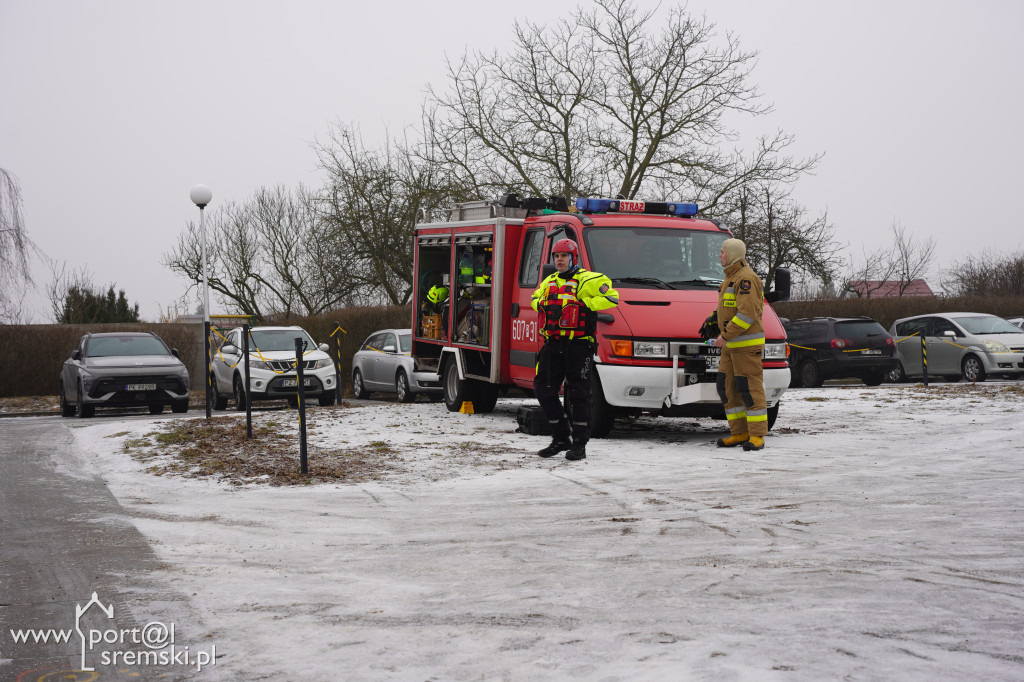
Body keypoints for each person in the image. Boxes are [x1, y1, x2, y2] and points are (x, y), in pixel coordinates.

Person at [531, 238, 619, 461]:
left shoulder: (589, 280)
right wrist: (540, 304)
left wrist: (586, 304)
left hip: (579, 345)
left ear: (574, 258)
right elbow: (535, 299)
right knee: (543, 389)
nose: (559, 260)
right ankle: (561, 437)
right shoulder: (548, 281)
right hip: (553, 343)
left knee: (579, 394)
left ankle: (580, 443)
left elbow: (612, 298)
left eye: (563, 256)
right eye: (556, 256)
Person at [710, 238, 768, 451]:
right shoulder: (731, 278)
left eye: (722, 252)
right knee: (727, 387)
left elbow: (747, 314)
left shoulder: (746, 279)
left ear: (733, 254)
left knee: (749, 388)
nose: (720, 255)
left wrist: (724, 336)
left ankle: (757, 435)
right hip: (731, 346)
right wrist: (713, 320)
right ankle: (739, 432)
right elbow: (729, 308)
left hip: (744, 346)